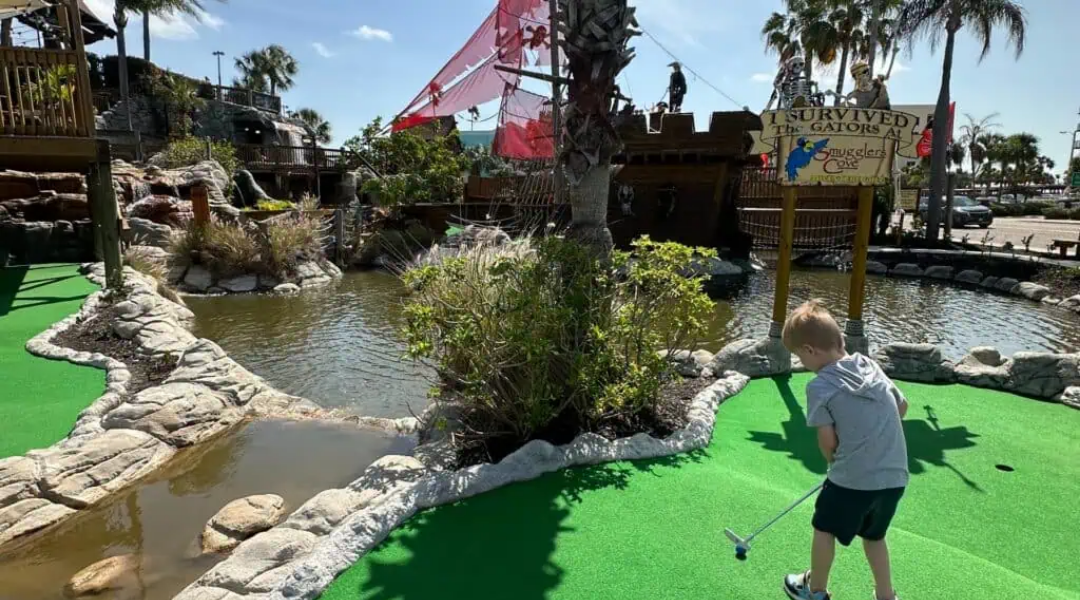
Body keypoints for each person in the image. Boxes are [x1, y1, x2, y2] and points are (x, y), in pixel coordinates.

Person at [780, 300, 909, 600]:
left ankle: (816, 591)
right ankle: (886, 596)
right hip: (895, 477)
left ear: (810, 351)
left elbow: (829, 442)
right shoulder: (870, 365)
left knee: (824, 529)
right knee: (875, 536)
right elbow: (902, 406)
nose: (802, 363)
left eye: (800, 357)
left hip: (851, 479)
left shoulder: (819, 386)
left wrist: (833, 466)